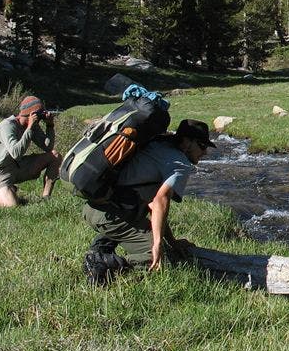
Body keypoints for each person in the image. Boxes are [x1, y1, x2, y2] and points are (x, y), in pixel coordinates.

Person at [81, 118, 215, 285]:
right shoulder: (180, 163)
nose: (205, 152)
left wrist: (171, 241)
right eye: (202, 146)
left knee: (140, 209)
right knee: (156, 257)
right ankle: (100, 261)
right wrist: (158, 244)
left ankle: (101, 248)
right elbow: (160, 201)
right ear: (187, 142)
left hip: (94, 208)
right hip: (110, 216)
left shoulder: (157, 143)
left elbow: (154, 205)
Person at [0, 95, 62, 207]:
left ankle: (46, 199)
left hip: (17, 166)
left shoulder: (32, 126)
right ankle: (1, 191)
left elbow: (48, 147)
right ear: (31, 114)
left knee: (55, 156)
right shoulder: (7, 126)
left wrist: (50, 125)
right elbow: (16, 153)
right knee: (12, 206)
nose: (40, 117)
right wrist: (29, 128)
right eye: (39, 114)